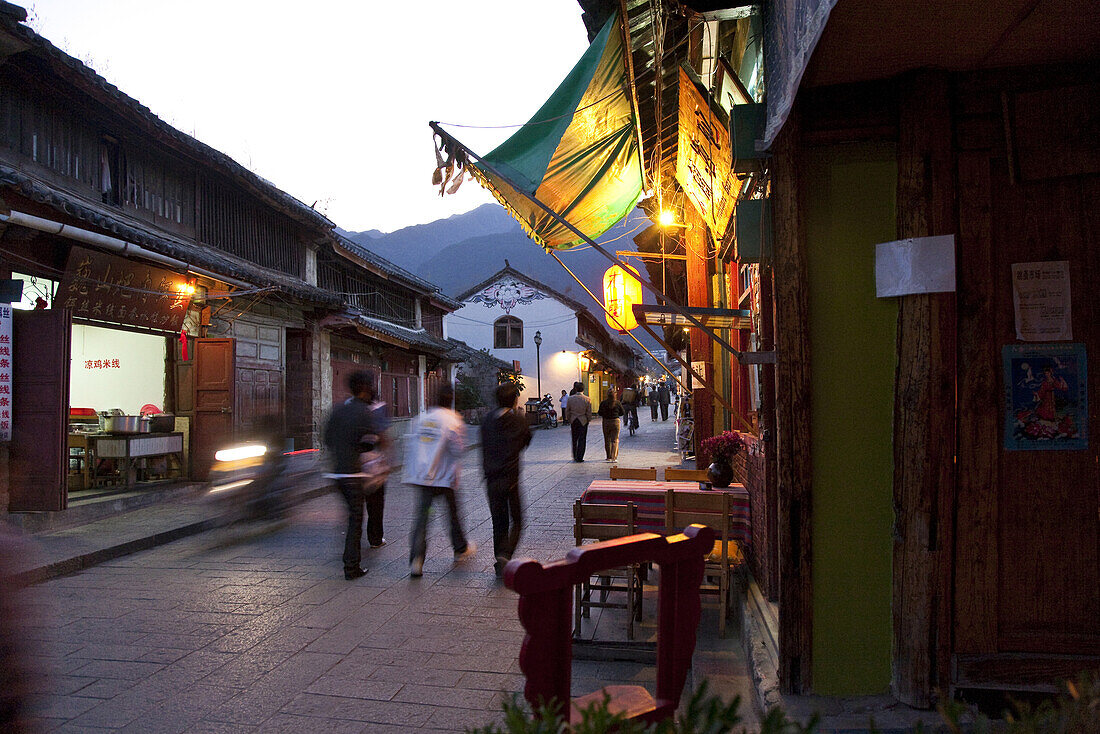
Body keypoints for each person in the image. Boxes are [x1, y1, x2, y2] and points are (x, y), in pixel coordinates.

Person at [322, 371, 390, 580]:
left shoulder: (338, 409)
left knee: (352, 517)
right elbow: (373, 441)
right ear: (364, 388)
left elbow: (326, 439)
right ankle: (351, 567)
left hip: (336, 474)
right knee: (355, 519)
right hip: (354, 474)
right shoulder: (364, 412)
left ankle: (350, 557)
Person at [404, 382, 476, 578]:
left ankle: (417, 560)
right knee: (452, 514)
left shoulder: (422, 418)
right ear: (451, 399)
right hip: (443, 478)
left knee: (422, 518)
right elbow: (458, 450)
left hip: (422, 478)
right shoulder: (453, 420)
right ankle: (459, 547)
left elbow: (412, 445)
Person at [480, 382, 532, 576]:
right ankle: (505, 555)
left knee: (498, 521)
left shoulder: (487, 421)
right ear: (514, 399)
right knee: (517, 520)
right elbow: (526, 440)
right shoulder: (518, 421)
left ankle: (499, 556)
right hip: (510, 479)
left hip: (491, 478)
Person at [564, 381, 593, 462]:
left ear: (576, 389)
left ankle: (575, 455)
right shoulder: (587, 399)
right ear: (583, 389)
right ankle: (580, 456)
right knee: (582, 439)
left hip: (574, 419)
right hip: (583, 420)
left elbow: (567, 410)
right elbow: (588, 412)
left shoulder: (570, 399)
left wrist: (569, 419)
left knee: (574, 438)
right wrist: (588, 419)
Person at [597, 388, 624, 462]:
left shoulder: (603, 403)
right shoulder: (617, 403)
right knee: (615, 439)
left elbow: (599, 413)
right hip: (615, 421)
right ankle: (614, 457)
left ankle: (608, 456)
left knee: (607, 439)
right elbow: (622, 412)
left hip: (606, 421)